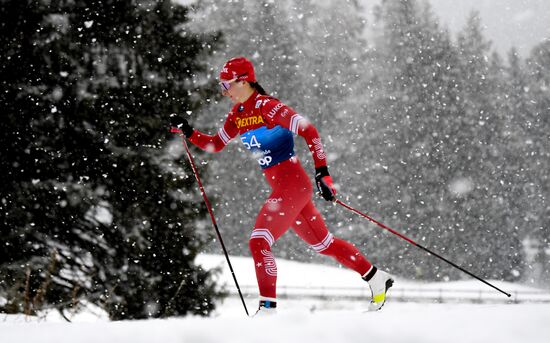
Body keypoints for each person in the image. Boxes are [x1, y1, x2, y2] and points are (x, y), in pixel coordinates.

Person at [170, 57, 393, 315]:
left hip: (293, 187)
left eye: (226, 84)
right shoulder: (237, 115)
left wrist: (323, 172)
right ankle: (376, 277)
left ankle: (267, 310)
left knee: (258, 242)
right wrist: (189, 131)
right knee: (324, 244)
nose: (224, 91)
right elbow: (215, 145)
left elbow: (309, 130)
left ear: (244, 81)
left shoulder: (269, 107)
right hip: (288, 191)